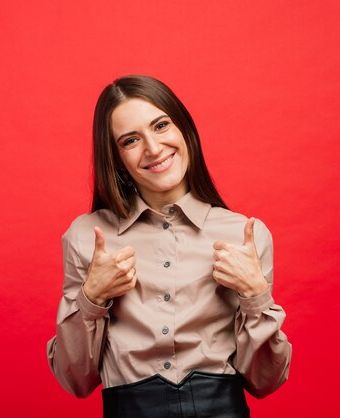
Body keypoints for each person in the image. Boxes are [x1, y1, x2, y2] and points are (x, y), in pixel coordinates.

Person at [47, 75, 292, 417]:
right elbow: (76, 380)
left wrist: (255, 295)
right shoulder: (87, 236)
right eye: (131, 140)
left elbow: (265, 381)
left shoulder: (245, 234)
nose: (153, 148)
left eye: (161, 126)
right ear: (116, 157)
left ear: (184, 130)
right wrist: (92, 298)